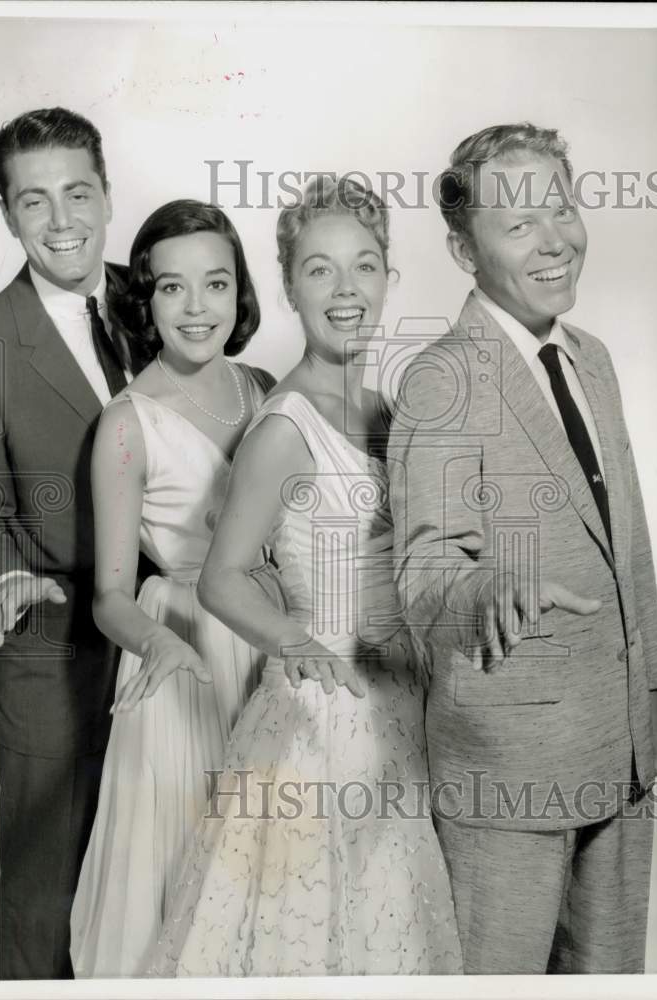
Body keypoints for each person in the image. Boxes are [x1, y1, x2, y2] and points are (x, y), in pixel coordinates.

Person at [145, 176, 463, 977]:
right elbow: (222, 579)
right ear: (289, 286)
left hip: (403, 704)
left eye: (364, 265)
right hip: (321, 725)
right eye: (320, 269)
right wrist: (296, 642)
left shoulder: (392, 411)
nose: (345, 288)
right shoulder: (285, 426)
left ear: (390, 276)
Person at [389, 123, 657, 974]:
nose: (556, 241)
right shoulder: (442, 378)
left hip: (624, 746)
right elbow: (425, 571)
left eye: (563, 208)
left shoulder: (594, 359)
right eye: (519, 226)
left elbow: (632, 541)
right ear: (463, 249)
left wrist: (653, 686)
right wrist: (491, 592)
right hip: (507, 769)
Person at [70, 199, 279, 976]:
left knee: (268, 871)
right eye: (173, 288)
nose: (198, 308)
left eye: (216, 284)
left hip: (265, 639)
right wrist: (160, 640)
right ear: (145, 302)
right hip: (183, 650)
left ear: (239, 293)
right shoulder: (127, 424)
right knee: (184, 868)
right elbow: (111, 595)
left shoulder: (262, 387)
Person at [0, 107, 131, 979]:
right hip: (48, 650)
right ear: (6, 214)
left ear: (107, 193)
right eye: (35, 202)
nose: (62, 222)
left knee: (166, 871)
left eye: (78, 193)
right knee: (45, 889)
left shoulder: (165, 300)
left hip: (167, 639)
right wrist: (4, 579)